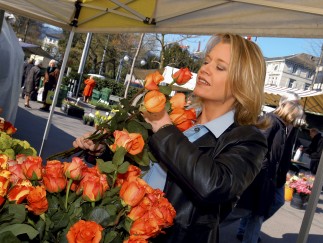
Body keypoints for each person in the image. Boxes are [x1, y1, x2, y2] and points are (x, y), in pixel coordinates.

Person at [73, 33, 269, 243]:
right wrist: (103, 151)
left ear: (242, 82)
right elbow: (142, 166)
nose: (205, 69)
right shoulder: (179, 114)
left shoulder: (248, 139)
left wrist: (164, 127)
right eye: (206, 61)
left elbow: (214, 186)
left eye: (220, 67)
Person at [232, 98, 305, 243]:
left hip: (270, 176)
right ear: (290, 113)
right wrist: (264, 170)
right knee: (250, 212)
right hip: (262, 176)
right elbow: (258, 148)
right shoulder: (271, 121)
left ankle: (245, 232)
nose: (297, 120)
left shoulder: (283, 125)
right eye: (296, 116)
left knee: (259, 210)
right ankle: (242, 234)